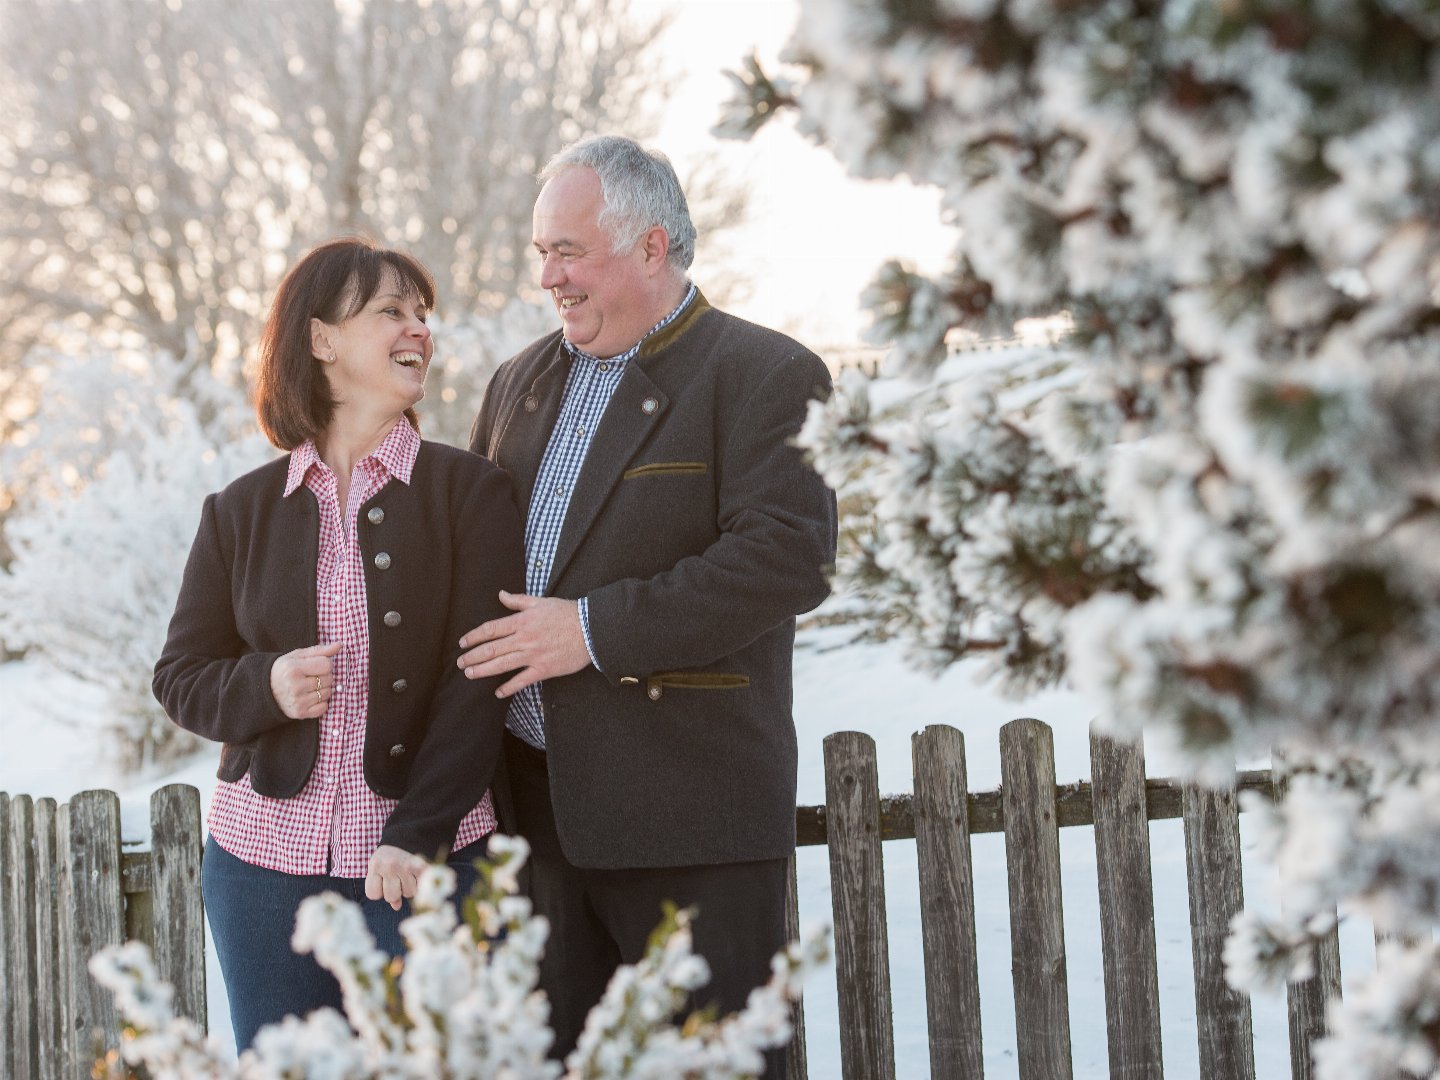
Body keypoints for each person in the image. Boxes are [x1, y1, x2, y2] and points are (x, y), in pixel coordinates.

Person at [458, 135, 837, 1071]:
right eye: (542, 252)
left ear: (653, 247)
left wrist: (590, 630)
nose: (549, 276)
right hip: (541, 827)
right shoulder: (517, 382)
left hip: (690, 826)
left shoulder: (766, 374)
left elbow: (785, 558)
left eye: (568, 251)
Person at [152, 237, 525, 1052]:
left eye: (424, 315)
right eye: (392, 310)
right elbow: (179, 677)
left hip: (421, 869)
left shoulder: (471, 494)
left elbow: (480, 684)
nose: (419, 330)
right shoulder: (238, 511)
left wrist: (416, 832)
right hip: (258, 872)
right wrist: (267, 686)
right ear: (321, 340)